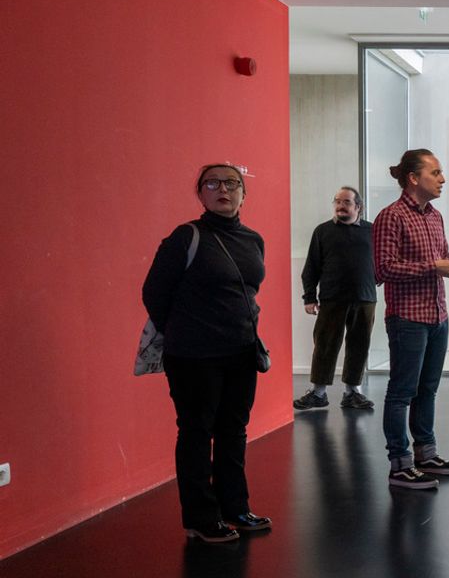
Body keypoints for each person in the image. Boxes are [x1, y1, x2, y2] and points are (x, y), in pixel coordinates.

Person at [142, 163, 272, 543]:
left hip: (241, 351)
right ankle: (200, 518)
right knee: (197, 432)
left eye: (231, 183)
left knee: (233, 431)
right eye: (212, 184)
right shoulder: (186, 237)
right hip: (194, 357)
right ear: (200, 194)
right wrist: (184, 331)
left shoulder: (253, 240)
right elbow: (154, 293)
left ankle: (235, 507)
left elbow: (248, 292)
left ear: (244, 194)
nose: (223, 190)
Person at [373, 149, 449, 490]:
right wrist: (434, 266)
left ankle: (426, 455)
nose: (442, 179)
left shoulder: (435, 216)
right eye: (436, 172)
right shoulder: (391, 217)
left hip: (437, 315)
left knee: (427, 390)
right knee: (402, 392)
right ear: (413, 178)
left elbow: (439, 257)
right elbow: (383, 269)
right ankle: (400, 464)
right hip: (407, 318)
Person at [293, 186, 377, 411]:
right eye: (337, 201)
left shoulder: (373, 231)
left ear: (358, 207)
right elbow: (311, 267)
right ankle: (318, 393)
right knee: (325, 345)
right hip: (332, 298)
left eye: (346, 202)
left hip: (365, 298)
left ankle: (352, 393)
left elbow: (382, 261)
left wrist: (375, 279)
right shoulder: (322, 231)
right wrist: (309, 297)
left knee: (359, 345)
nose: (340, 206)